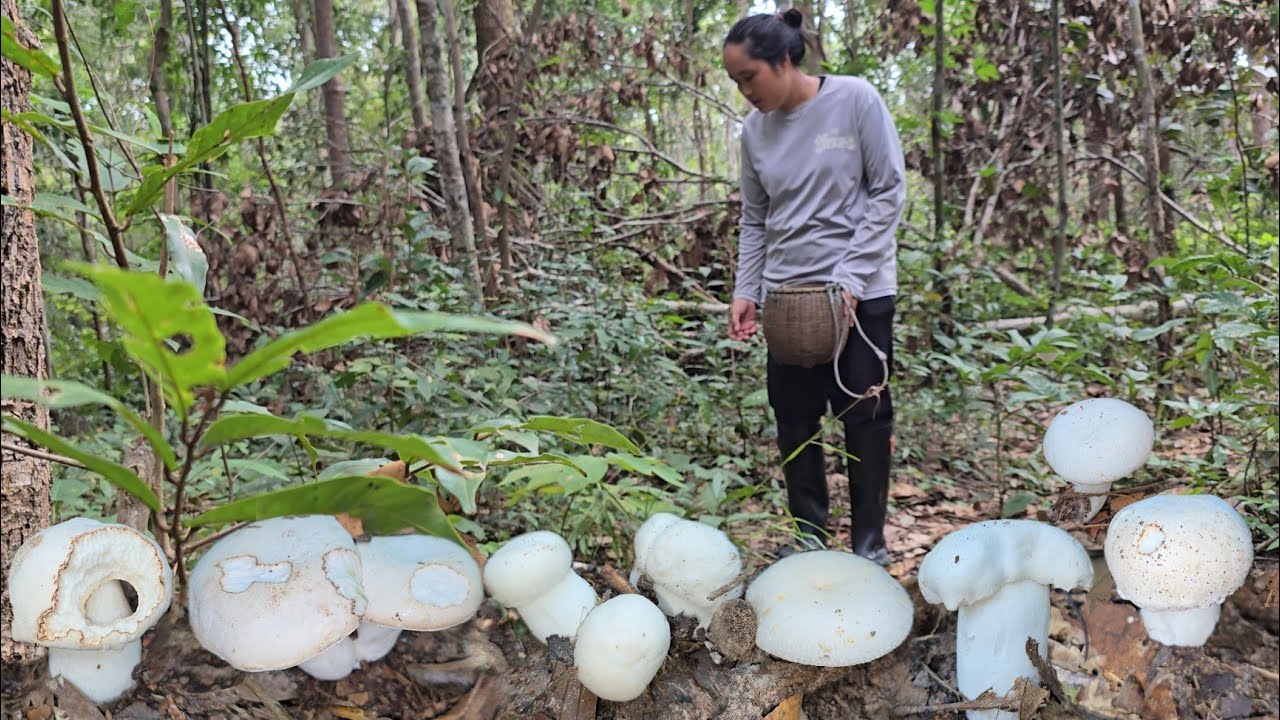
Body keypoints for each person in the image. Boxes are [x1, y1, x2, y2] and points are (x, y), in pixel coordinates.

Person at [723, 9, 906, 565]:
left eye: (749, 76)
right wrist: (747, 290)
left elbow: (889, 191)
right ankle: (809, 541)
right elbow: (756, 218)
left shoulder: (854, 100)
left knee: (865, 415)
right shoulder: (754, 132)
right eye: (735, 82)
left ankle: (869, 546)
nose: (745, 91)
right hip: (787, 297)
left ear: (784, 59)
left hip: (861, 293)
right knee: (794, 417)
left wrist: (850, 279)